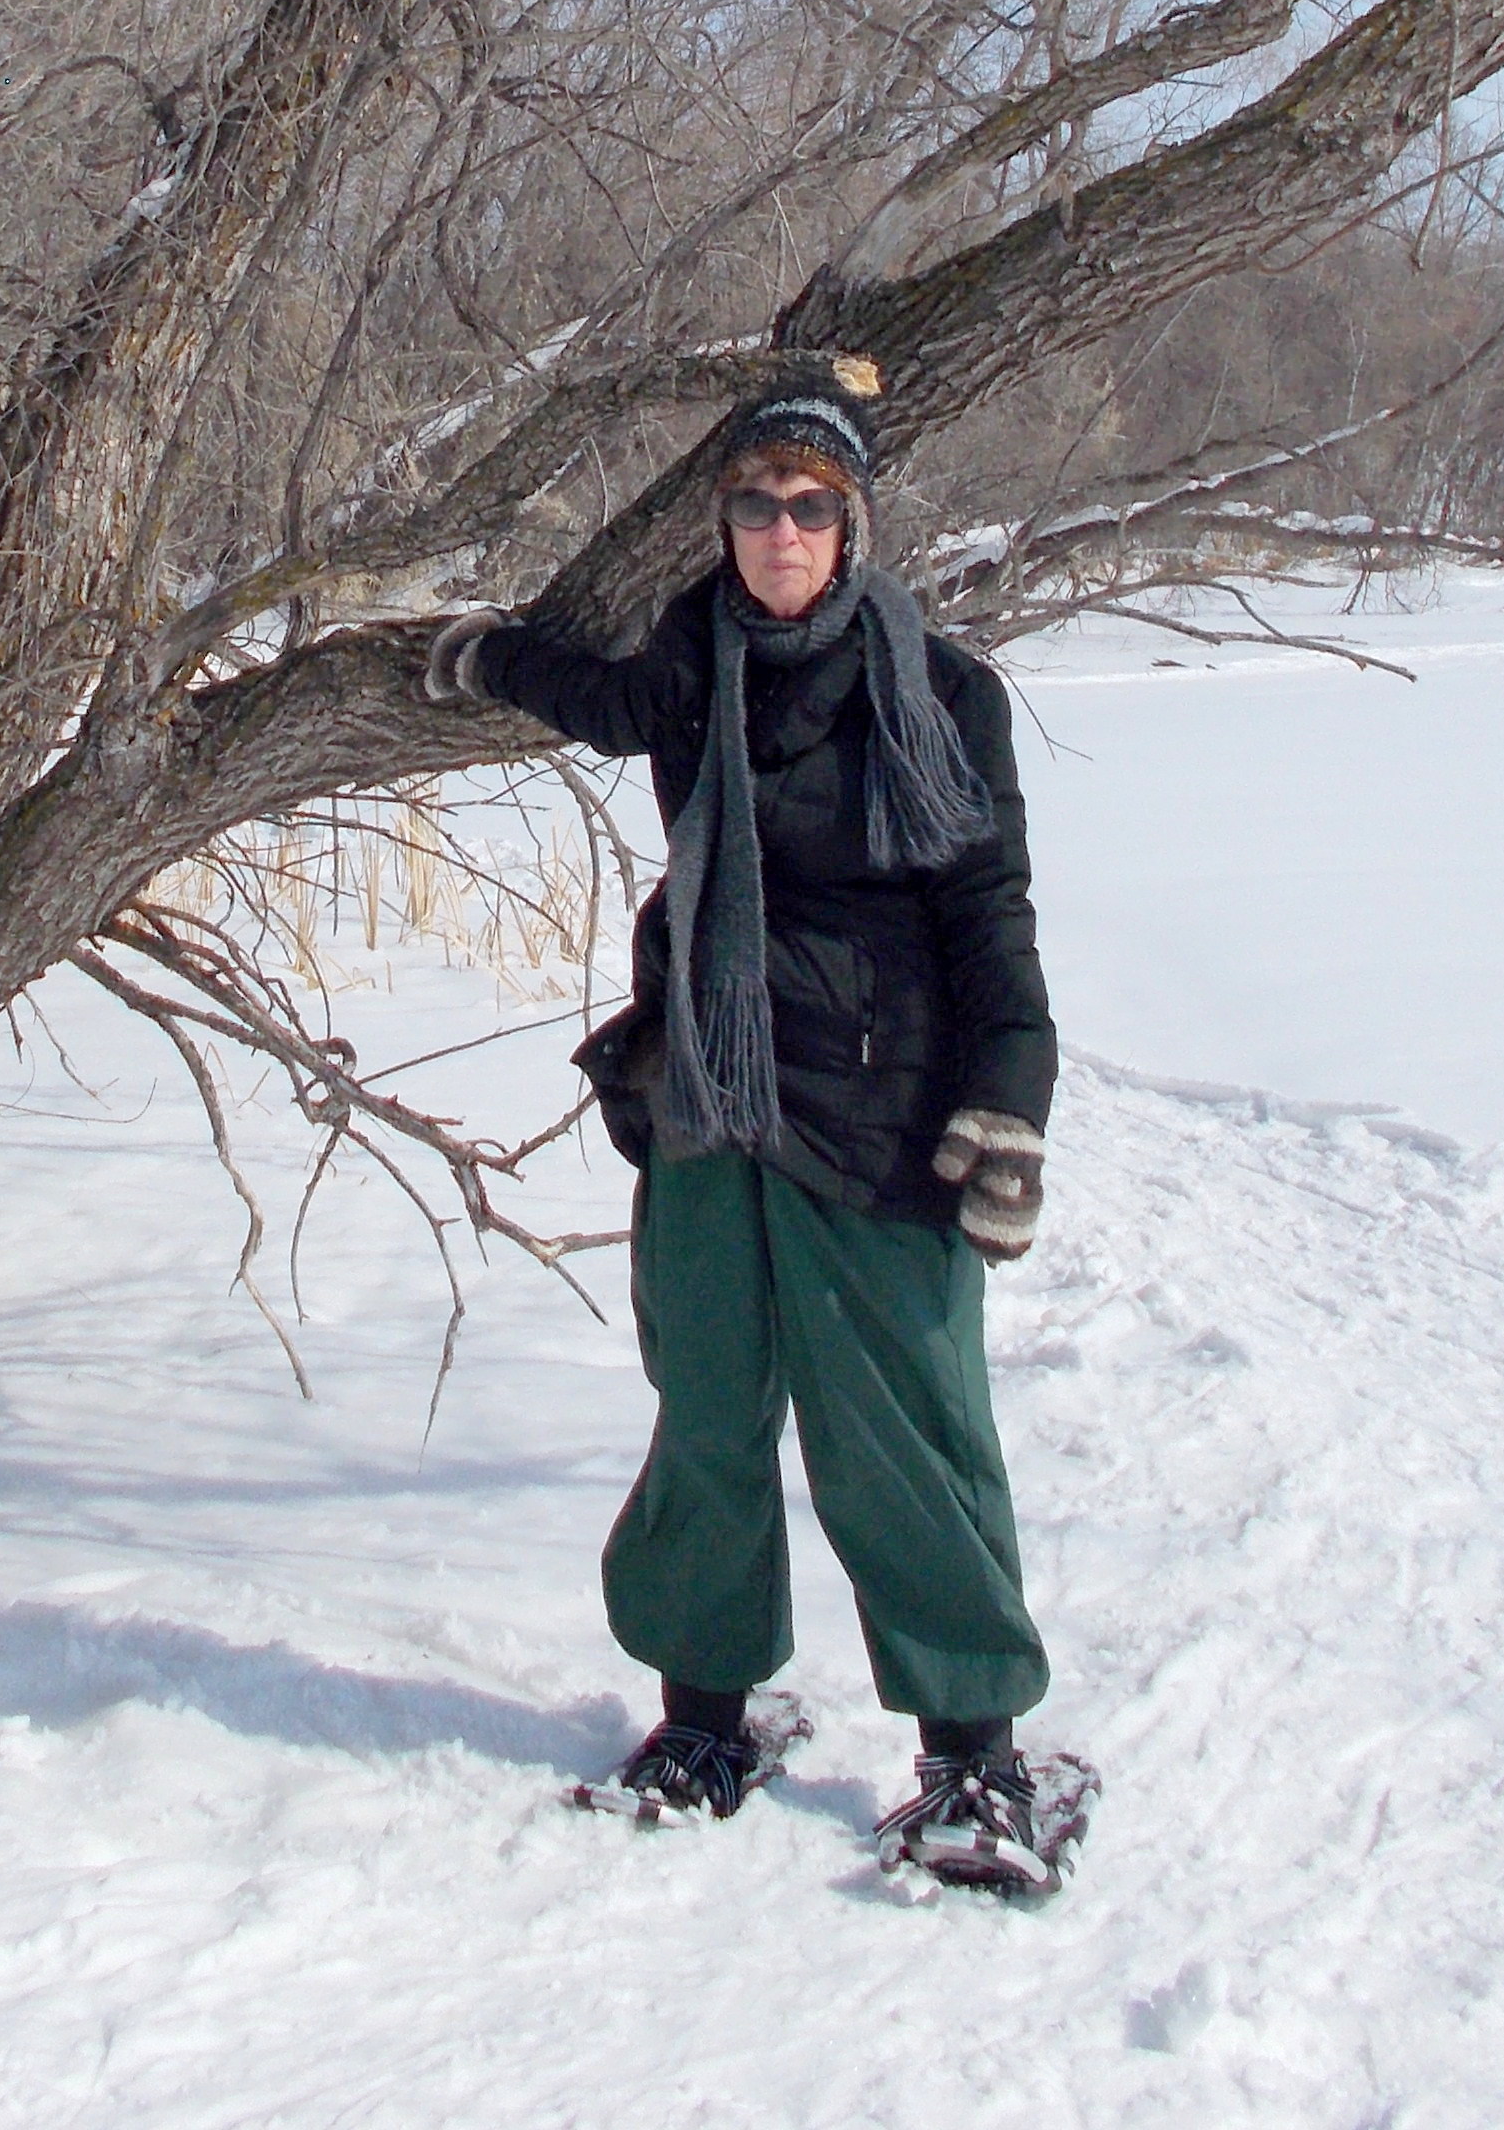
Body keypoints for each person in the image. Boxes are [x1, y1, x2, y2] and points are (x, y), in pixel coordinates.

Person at [424, 391, 1066, 1883]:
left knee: (905, 1434)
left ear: (854, 526)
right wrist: (483, 655)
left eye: (812, 505)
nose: (783, 532)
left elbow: (989, 904)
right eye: (758, 504)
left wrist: (1012, 1098)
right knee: (707, 1411)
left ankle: (974, 1755)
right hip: (709, 1091)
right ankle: (705, 1716)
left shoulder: (941, 692)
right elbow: (601, 703)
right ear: (723, 523)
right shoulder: (691, 661)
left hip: (879, 1106)